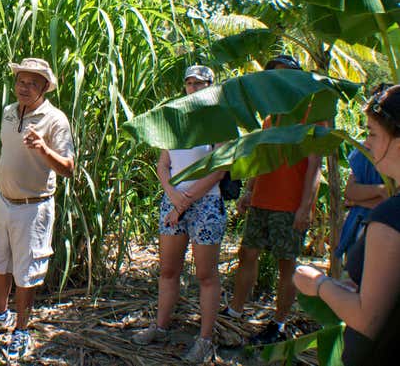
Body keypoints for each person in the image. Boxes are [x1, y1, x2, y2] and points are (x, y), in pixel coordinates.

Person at [0, 57, 74, 359]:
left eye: (32, 83)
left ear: (45, 87)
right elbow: (6, 158)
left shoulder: (55, 120)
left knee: (27, 273)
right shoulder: (10, 111)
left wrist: (44, 149)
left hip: (33, 209)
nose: (24, 87)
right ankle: (0, 314)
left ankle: (21, 329)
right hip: (4, 202)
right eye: (21, 81)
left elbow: (68, 168)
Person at [220, 54, 323, 345]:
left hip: (290, 204)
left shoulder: (310, 114)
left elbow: (315, 165)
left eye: (286, 73)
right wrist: (249, 191)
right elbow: (261, 159)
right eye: (274, 74)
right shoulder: (271, 118)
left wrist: (306, 206)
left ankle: (278, 323)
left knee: (286, 263)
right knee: (247, 254)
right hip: (262, 199)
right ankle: (235, 310)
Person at [294, 85, 400, 365]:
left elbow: (368, 320)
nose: (367, 144)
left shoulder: (390, 217)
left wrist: (318, 284)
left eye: (373, 134)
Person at [132, 65, 226, 364]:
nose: (193, 88)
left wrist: (182, 203)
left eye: (200, 83)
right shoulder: (174, 119)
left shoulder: (219, 121)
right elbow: (164, 164)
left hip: (206, 204)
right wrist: (172, 195)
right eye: (189, 83)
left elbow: (219, 169)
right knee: (168, 271)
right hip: (172, 202)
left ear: (211, 86)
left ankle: (205, 340)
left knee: (206, 275)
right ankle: (160, 327)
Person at [334, 85, 391, 260]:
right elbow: (350, 192)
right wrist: (381, 191)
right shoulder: (363, 152)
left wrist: (361, 200)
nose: (367, 141)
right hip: (358, 226)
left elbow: (389, 203)